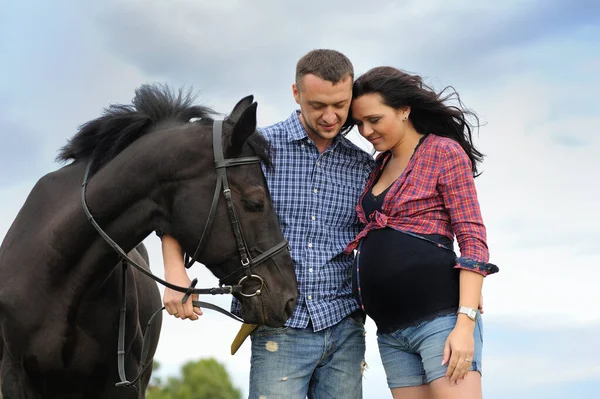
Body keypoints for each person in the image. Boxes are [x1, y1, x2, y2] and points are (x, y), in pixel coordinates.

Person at [160, 49, 375, 399]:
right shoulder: (256, 150)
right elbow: (177, 203)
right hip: (279, 325)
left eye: (340, 104)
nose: (331, 116)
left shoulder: (363, 165)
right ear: (296, 94)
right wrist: (175, 272)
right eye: (318, 104)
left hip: (344, 326)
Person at [345, 66, 499, 399]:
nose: (365, 131)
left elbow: (473, 239)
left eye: (374, 119)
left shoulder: (442, 152)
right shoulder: (378, 166)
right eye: (358, 124)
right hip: (390, 333)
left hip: (440, 322)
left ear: (404, 110)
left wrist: (465, 323)